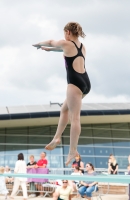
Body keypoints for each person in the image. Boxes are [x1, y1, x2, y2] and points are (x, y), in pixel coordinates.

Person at [33, 22, 91, 165]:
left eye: (64, 33)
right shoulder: (81, 47)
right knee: (64, 110)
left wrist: (38, 44)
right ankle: (57, 138)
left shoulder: (66, 43)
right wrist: (50, 50)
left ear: (68, 32)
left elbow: (52, 42)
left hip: (74, 84)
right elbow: (64, 51)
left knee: (75, 118)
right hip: (85, 82)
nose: (64, 36)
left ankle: (72, 150)